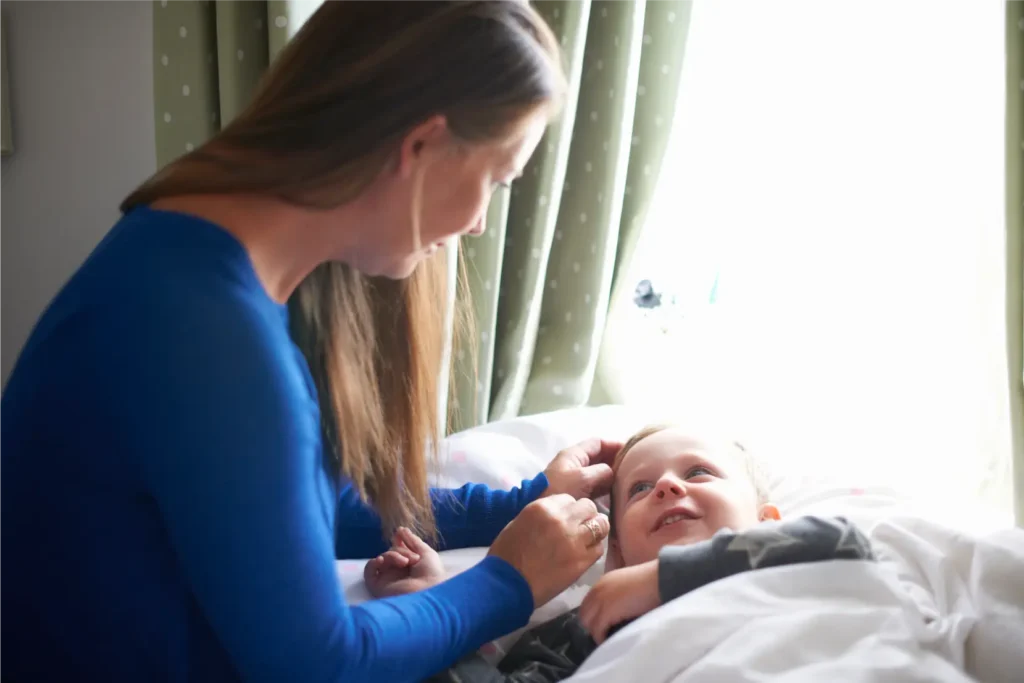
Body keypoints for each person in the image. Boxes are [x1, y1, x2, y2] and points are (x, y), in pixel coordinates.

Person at [0, 2, 617, 681]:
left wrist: (514, 503)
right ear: (421, 147)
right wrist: (509, 582)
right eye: (496, 181)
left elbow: (281, 505)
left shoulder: (183, 245)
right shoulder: (214, 338)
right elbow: (317, 662)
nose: (477, 225)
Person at [371, 426, 876, 683]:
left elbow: (849, 546)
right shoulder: (587, 624)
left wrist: (665, 578)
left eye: (698, 473)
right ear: (615, 553)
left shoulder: (789, 563)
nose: (668, 487)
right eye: (641, 488)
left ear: (766, 521)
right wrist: (437, 605)